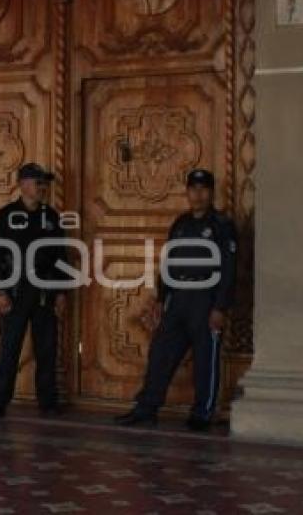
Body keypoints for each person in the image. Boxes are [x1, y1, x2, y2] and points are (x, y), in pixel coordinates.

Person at [116, 169, 237, 431]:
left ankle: (202, 413)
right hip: (178, 299)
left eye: (203, 188)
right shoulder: (180, 224)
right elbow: (168, 263)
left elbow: (229, 269)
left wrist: (220, 307)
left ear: (211, 192)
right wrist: (161, 298)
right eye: (193, 188)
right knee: (161, 353)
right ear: (187, 192)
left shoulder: (221, 225)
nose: (198, 194)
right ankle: (146, 408)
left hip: (206, 300)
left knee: (206, 358)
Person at [0, 163, 69, 417]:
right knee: (9, 349)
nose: (43, 188)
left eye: (44, 183)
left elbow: (60, 256)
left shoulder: (51, 216)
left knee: (47, 349)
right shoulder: (6, 215)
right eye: (38, 183)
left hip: (45, 291)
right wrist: (1, 290)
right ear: (23, 185)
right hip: (15, 291)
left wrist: (62, 292)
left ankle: (48, 402)